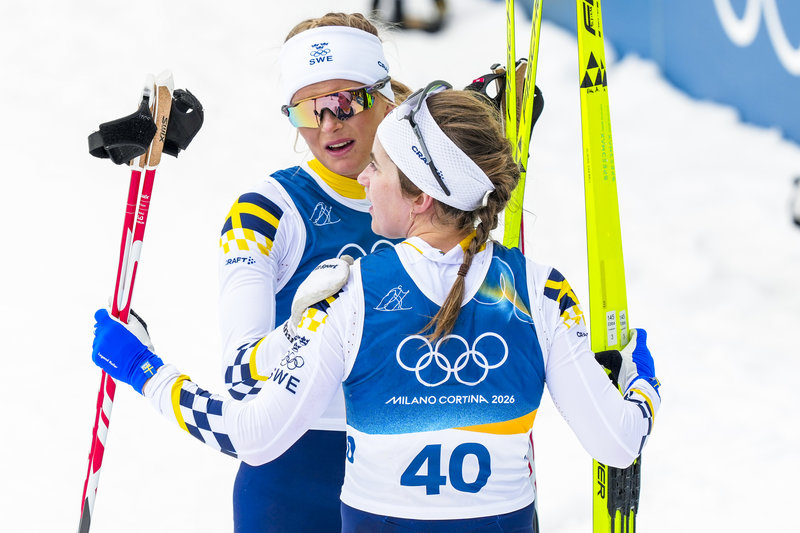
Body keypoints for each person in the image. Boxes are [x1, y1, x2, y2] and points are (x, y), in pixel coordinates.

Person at [92, 82, 661, 532]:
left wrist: (144, 369)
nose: (363, 177)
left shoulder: (344, 295)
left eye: (380, 169)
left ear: (420, 198)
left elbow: (254, 434)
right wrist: (643, 386)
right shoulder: (542, 292)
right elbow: (618, 443)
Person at [216, 12, 409, 532]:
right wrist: (311, 326)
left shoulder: (431, 196)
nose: (328, 124)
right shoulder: (265, 210)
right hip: (291, 479)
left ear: (383, 95)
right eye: (307, 108)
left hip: (408, 473)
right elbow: (238, 374)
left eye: (346, 101)